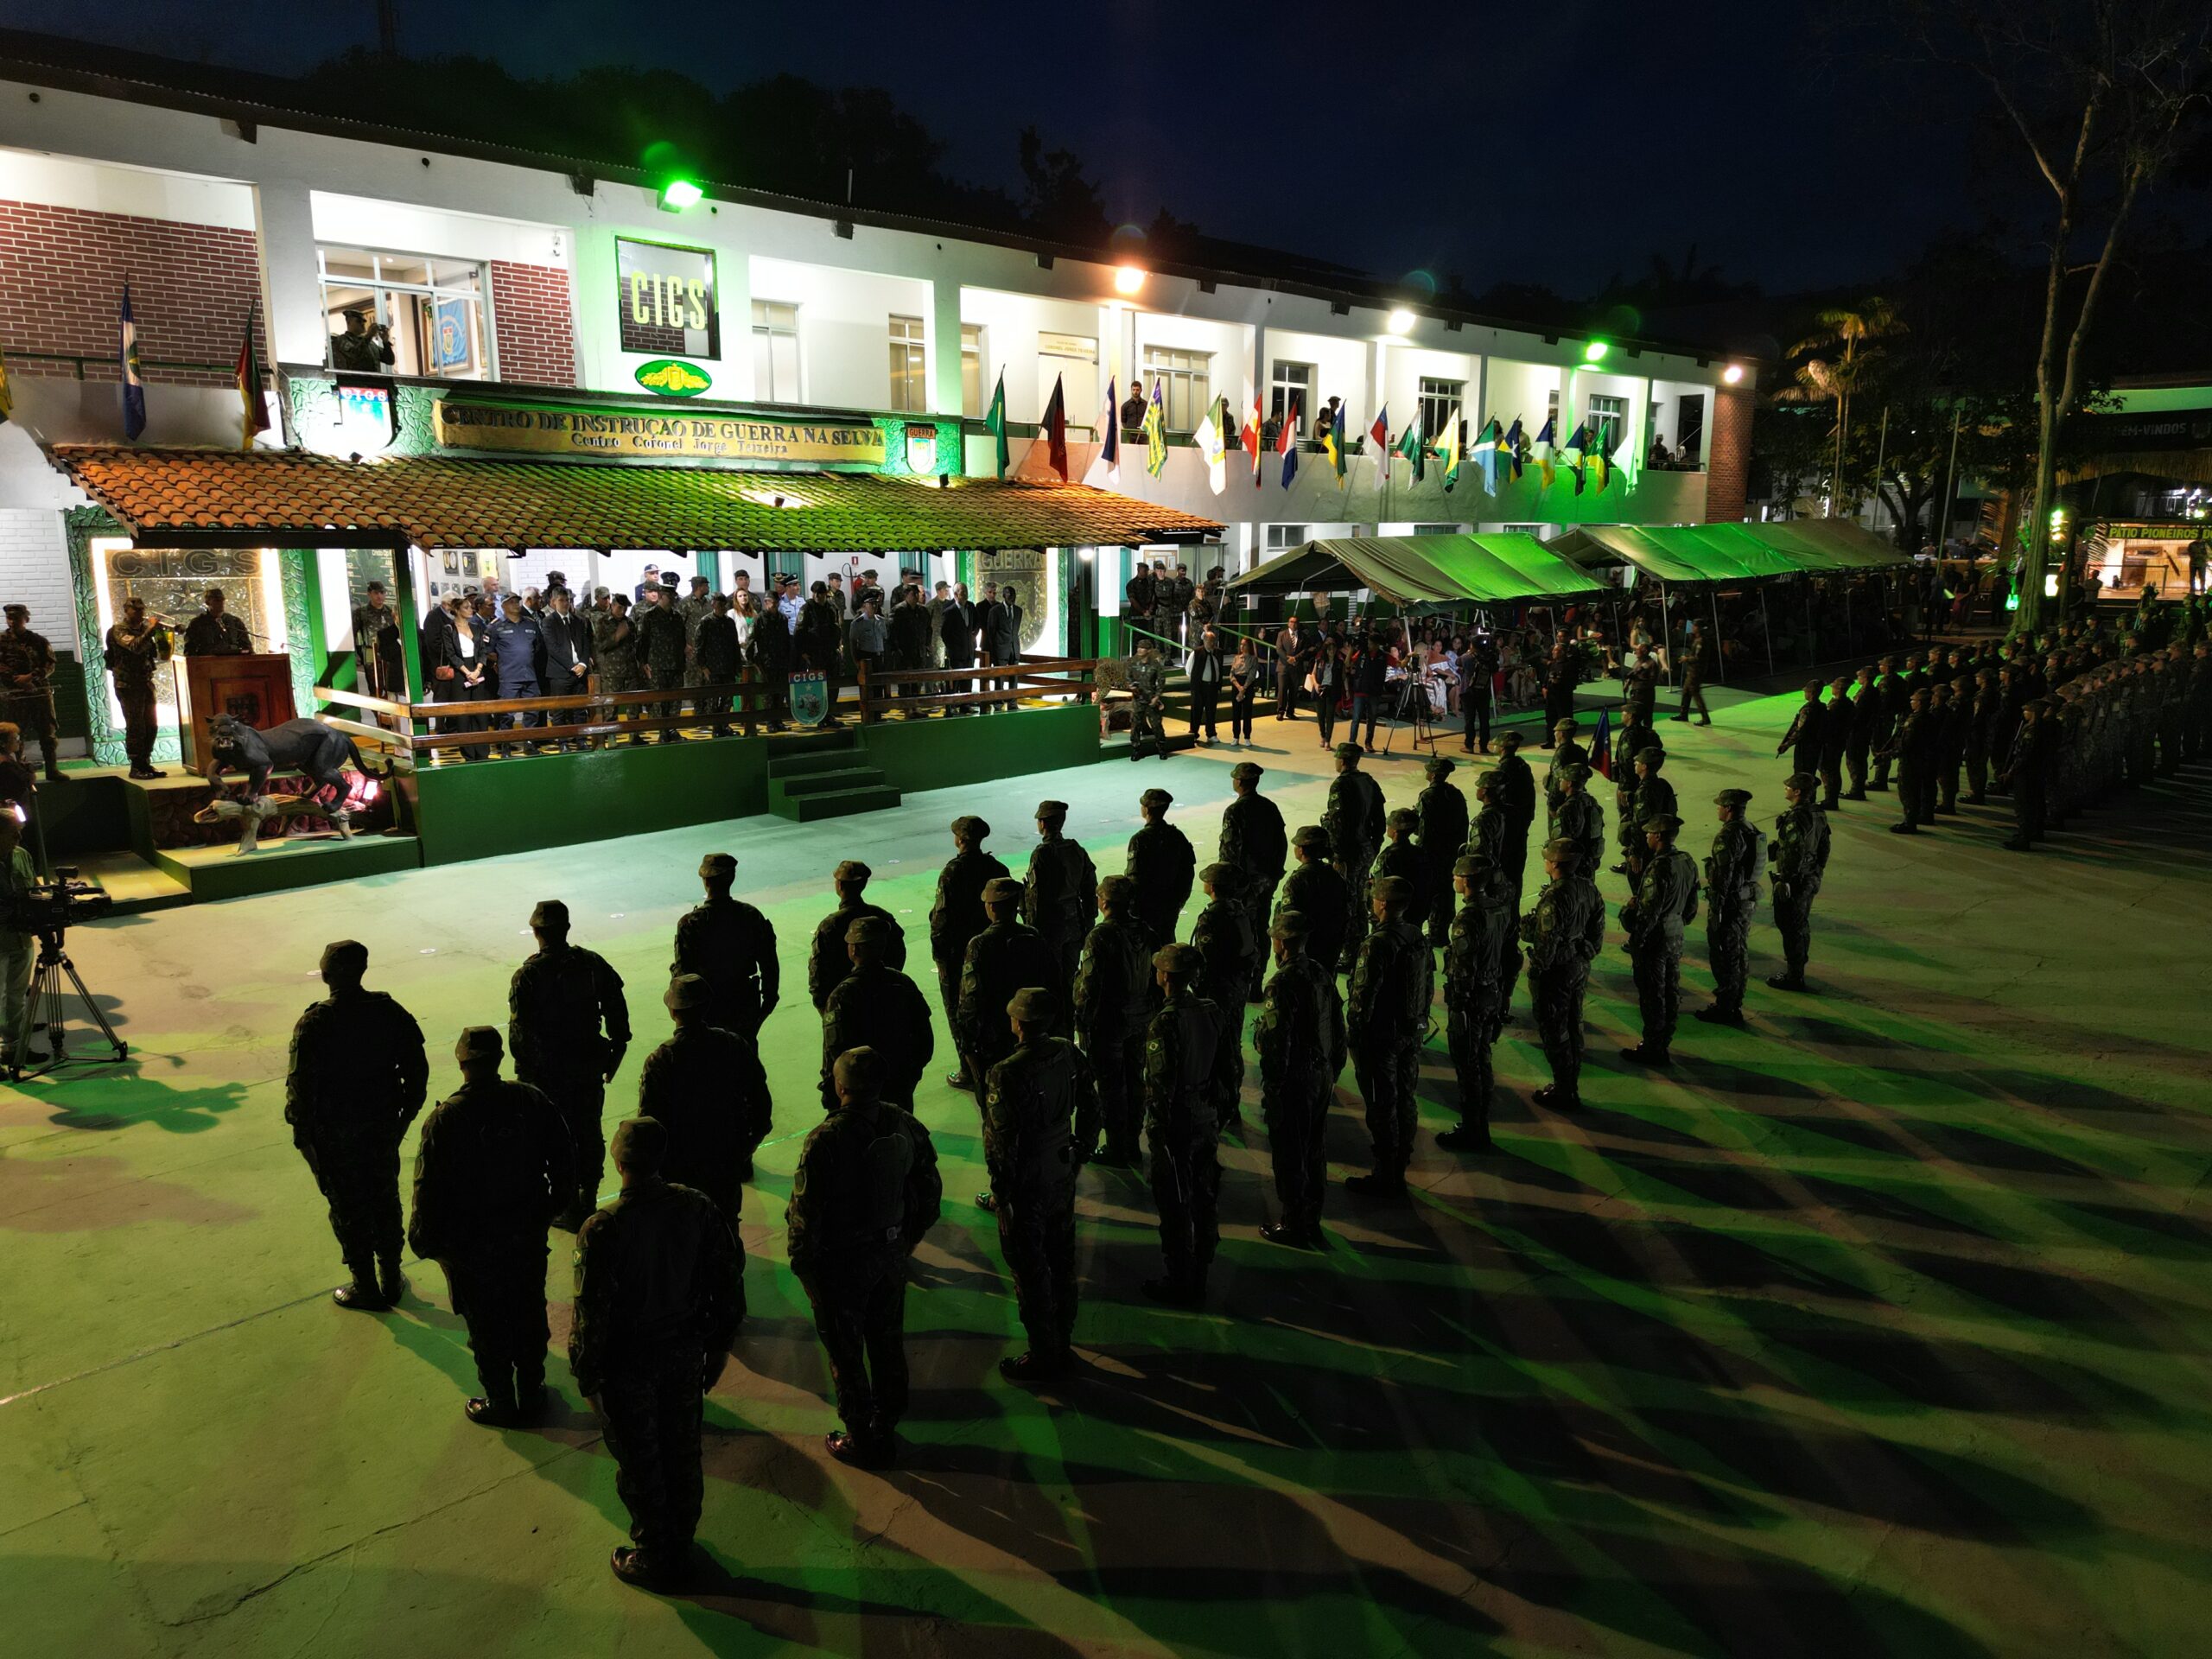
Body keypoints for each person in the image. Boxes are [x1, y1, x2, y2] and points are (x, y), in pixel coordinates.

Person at [570, 1116, 741, 1592]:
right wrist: (720, 1344)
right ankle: (681, 1541)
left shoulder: (603, 1227)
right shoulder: (697, 1206)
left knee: (641, 1459)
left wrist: (588, 1376)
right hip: (684, 1351)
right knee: (682, 1449)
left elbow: (591, 1313)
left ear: (617, 1161)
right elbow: (727, 1277)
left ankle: (655, 1555)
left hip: (630, 1364)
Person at [405, 1027, 573, 1426]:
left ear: (462, 1063)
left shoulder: (446, 1119)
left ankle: (500, 1399)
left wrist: (427, 1244)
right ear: (499, 1059)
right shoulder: (530, 1100)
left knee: (486, 1322)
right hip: (525, 1233)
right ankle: (531, 1391)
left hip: (472, 1245)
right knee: (528, 1309)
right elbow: (565, 1160)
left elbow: (427, 1190)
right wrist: (547, 1211)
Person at [787, 1046, 941, 1467]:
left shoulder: (826, 1139)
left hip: (842, 1264)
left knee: (846, 1351)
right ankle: (886, 1422)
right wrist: (906, 1241)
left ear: (840, 1087)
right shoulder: (903, 1123)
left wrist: (805, 1269)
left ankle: (860, 1435)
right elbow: (929, 1189)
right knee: (887, 1341)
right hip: (889, 1254)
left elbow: (804, 1216)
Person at [283, 939, 428, 1310]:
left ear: (325, 975)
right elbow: (417, 1073)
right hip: (381, 1126)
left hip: (334, 1133)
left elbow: (300, 1088)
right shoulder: (389, 1012)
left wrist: (304, 1139)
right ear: (363, 971)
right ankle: (391, 1277)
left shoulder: (315, 1023)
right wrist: (402, 1122)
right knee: (385, 1198)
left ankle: (365, 1285)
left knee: (347, 1205)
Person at [982, 987, 1098, 1382]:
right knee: (1062, 1259)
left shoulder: (1006, 1072)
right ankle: (1063, 1338)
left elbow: (1001, 1145)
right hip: (1061, 1171)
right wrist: (1081, 1150)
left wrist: (1002, 1195)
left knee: (1030, 1271)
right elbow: (1091, 1104)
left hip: (1027, 1183)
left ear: (1017, 1023)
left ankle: (1044, 1354)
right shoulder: (1067, 1052)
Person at [509, 899, 631, 1230]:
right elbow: (616, 1005)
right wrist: (616, 1048)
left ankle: (565, 1204)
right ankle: (587, 1198)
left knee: (552, 1139)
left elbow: (520, 1040)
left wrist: (529, 1083)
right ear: (566, 928)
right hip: (587, 1066)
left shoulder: (528, 976)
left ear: (536, 932)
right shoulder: (590, 963)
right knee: (589, 1131)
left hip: (548, 1075)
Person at [636, 972, 772, 1226]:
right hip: (725, 1160)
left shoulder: (661, 1060)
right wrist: (743, 1149)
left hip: (680, 1168)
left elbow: (650, 1125)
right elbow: (761, 1107)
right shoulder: (734, 1045)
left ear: (673, 1012)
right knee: (726, 1226)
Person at [957, 879, 1061, 1202]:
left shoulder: (980, 945)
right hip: (1033, 1037)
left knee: (997, 1122)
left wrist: (968, 1047)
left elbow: (970, 1003)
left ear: (990, 907)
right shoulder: (1033, 938)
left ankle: (1001, 1193)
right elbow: (1053, 984)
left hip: (994, 1045)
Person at [1253, 911, 1346, 1246]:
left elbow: (1277, 1042)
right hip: (1322, 1071)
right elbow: (1337, 1023)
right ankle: (1312, 1218)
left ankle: (1293, 1223)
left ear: (1280, 943)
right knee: (1314, 1147)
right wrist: (1334, 1066)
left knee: (1290, 1150)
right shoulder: (1320, 972)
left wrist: (1274, 1087)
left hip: (1296, 1078)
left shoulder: (1281, 983)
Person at [1140, 943, 1225, 1306]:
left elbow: (1161, 1086)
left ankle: (1180, 1281)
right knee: (1205, 1197)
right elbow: (1228, 1068)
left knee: (1175, 1203)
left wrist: (1157, 1134)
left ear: (1164, 977)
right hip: (1207, 1115)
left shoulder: (1166, 1022)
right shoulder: (1211, 1010)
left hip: (1179, 1122)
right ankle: (1201, 1271)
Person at [1344, 874, 1432, 1198]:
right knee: (1405, 1097)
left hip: (1382, 1037)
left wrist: (1355, 1033)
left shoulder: (1377, 944)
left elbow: (1363, 995)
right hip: (1410, 1030)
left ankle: (1386, 1175)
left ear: (1381, 903)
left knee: (1382, 1104)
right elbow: (1427, 984)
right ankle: (1401, 1162)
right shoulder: (1415, 936)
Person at [1072, 874, 1155, 1166]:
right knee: (1135, 1081)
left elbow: (1089, 986)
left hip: (1109, 1023)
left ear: (1104, 902)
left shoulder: (1100, 936)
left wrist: (1082, 1023)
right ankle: (1131, 1141)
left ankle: (1116, 1147)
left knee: (1111, 1086)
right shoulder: (1144, 930)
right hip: (1140, 1017)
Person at [1521, 838, 1605, 1109]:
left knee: (1554, 1028)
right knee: (1573, 1022)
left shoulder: (1554, 896)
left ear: (1555, 864)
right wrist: (1587, 950)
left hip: (1556, 969)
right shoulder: (1588, 887)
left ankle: (1563, 1089)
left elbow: (1547, 939)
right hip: (1579, 964)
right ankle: (1570, 1083)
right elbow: (1597, 928)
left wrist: (1538, 969)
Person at [1440, 854, 1515, 1153]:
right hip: (1491, 991)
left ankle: (1473, 1130)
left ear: (1467, 882)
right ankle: (1480, 1120)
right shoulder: (1499, 908)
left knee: (1467, 1064)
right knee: (1482, 1057)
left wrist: (1458, 1005)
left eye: (1457, 876)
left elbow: (1463, 967)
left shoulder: (1468, 918)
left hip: (1471, 998)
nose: (1454, 879)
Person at [822, 916, 934, 1111]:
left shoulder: (843, 995)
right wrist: (911, 1074)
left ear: (854, 950)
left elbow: (834, 1051)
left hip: (859, 1093)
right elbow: (924, 1036)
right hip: (900, 1082)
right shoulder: (903, 982)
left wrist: (831, 1093)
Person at [670, 853, 779, 1051]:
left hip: (707, 1009)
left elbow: (683, 975)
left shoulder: (690, 923)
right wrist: (762, 1012)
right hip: (743, 1006)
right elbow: (769, 964)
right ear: (732, 878)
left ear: (705, 881)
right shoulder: (751, 916)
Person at [1618, 814, 1699, 1066]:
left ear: (1659, 837)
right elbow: (1691, 907)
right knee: (1670, 990)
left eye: (1650, 833)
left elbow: (1649, 912)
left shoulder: (1658, 867)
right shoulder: (1686, 861)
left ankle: (1653, 1048)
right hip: (1676, 933)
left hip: (1656, 939)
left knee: (1652, 993)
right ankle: (1664, 1040)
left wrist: (1637, 938)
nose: (1646, 836)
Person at [1187, 862, 1256, 1129]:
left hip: (1219, 992)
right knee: (1232, 1043)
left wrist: (1197, 990)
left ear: (1213, 887)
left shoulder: (1212, 918)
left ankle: (1223, 1105)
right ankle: (1231, 1101)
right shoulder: (1239, 911)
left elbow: (1206, 961)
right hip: (1237, 987)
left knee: (1218, 1049)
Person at [930, 814, 1008, 1031]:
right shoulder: (998, 869)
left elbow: (941, 919)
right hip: (993, 946)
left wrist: (940, 957)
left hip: (959, 952)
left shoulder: (952, 872)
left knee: (958, 1011)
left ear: (960, 840)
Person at [1696, 790, 1764, 1027]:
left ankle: (1726, 1007)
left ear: (1729, 809)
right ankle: (1734, 1002)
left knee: (1725, 954)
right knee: (1739, 952)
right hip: (1746, 899)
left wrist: (1717, 908)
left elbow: (1723, 875)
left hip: (1730, 903)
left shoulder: (1729, 835)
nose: (1718, 809)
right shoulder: (1750, 828)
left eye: (1720, 806)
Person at [1218, 761, 1287, 989]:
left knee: (1241, 931)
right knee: (1260, 927)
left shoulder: (1235, 811)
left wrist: (1228, 884)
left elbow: (1230, 852)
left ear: (1239, 782)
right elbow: (1281, 843)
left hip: (1244, 884)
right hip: (1266, 879)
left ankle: (1243, 981)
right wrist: (1275, 874)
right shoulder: (1269, 807)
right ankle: (1257, 981)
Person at [805, 860, 906, 1014]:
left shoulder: (830, 925)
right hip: (884, 1001)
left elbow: (817, 976)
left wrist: (826, 1012)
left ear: (840, 885)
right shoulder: (882, 917)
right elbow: (899, 953)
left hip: (845, 1006)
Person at [1023, 799, 1097, 993]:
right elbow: (1090, 888)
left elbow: (1035, 899)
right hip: (1075, 923)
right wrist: (1088, 922)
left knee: (1051, 980)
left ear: (1042, 824)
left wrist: (1031, 930)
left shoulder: (1041, 854)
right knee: (1071, 977)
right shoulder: (1076, 849)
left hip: (1051, 926)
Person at [1324, 741, 1386, 971]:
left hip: (1348, 854)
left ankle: (1351, 954)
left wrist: (1336, 856)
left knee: (1347, 903)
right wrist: (1374, 846)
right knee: (1359, 898)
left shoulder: (1341, 785)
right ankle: (1360, 945)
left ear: (1342, 760)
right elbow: (1379, 818)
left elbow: (1337, 825)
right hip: (1365, 849)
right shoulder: (1368, 781)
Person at [1767, 772, 1830, 992]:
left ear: (1797, 792)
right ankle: (1797, 970)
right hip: (1811, 876)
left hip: (1797, 880)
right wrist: (1817, 870)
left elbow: (1794, 852)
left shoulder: (1796, 817)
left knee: (1791, 926)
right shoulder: (1818, 813)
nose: (1785, 789)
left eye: (1788, 787)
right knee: (1800, 923)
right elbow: (1824, 846)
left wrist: (1786, 880)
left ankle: (1794, 976)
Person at [102, 596, 172, 779]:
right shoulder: (119, 630)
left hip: (145, 681)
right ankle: (136, 766)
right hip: (127, 684)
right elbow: (134, 646)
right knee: (136, 726)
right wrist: (150, 630)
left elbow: (160, 653)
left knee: (151, 725)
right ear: (127, 611)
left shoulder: (144, 630)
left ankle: (145, 763)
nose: (140, 613)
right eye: (136, 610)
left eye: (142, 609)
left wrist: (163, 634)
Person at [1126, 786, 1196, 947]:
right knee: (1166, 944)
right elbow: (1188, 873)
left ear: (1146, 809)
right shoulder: (1177, 836)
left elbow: (1135, 879)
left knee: (1145, 950)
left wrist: (1132, 911)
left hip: (1146, 908)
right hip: (1169, 905)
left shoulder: (1140, 839)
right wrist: (1178, 902)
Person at [0, 605, 61, 782]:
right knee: (15, 735)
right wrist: (18, 680)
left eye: (16, 618)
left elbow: (50, 664)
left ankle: (52, 770)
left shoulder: (38, 641)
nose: (12, 622)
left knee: (48, 732)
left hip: (39, 693)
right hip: (15, 695)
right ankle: (18, 772)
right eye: (9, 618)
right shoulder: (1, 641)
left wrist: (32, 678)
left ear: (25, 619)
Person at [1416, 755, 1470, 950]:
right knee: (1446, 891)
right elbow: (1464, 824)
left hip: (1433, 852)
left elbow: (1425, 830)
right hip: (1451, 852)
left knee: (1431, 892)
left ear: (1432, 775)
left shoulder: (1428, 796)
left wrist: (1420, 852)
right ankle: (1441, 931)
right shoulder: (1455, 794)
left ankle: (1434, 933)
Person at [1999, 697, 2053, 852]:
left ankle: (2023, 838)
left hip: (2026, 773)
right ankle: (2035, 832)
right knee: (2035, 803)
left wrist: (2011, 772)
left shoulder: (2032, 730)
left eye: (2027, 710)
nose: (2024, 713)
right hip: (2037, 771)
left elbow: (2024, 755)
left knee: (2024, 806)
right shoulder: (2045, 728)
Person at [692, 594, 741, 735]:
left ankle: (725, 725)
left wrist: (737, 665)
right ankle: (716, 728)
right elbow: (699, 646)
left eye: (723, 605)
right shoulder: (706, 622)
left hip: (728, 667)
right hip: (712, 668)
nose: (721, 607)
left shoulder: (729, 622)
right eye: (718, 604)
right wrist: (703, 667)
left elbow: (735, 645)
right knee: (713, 700)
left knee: (727, 699)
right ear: (713, 605)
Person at [1127, 635, 1168, 760]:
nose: (1139, 650)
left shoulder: (1155, 665)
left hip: (1151, 700)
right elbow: (1128, 677)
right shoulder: (1132, 663)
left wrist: (1157, 697)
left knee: (1157, 726)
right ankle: (1136, 749)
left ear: (1149, 650)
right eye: (1138, 647)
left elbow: (1161, 681)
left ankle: (1162, 749)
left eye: (1143, 648)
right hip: (1138, 699)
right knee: (1135, 725)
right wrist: (1130, 686)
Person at [1544, 718, 1587, 835]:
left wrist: (1552, 804)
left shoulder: (1561, 753)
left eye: (1556, 731)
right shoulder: (1580, 751)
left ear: (1562, 734)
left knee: (1558, 834)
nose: (1554, 733)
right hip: (1578, 795)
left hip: (1561, 800)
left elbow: (1557, 780)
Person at [181, 588, 252, 657]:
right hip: (208, 662)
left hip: (233, 662)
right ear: (208, 602)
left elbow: (247, 647)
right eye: (217, 600)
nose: (221, 603)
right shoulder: (197, 623)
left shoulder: (235, 622)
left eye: (222, 600)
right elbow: (190, 650)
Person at [1777, 680, 1826, 780]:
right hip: (1816, 744)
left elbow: (1800, 730)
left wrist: (1787, 745)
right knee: (1811, 772)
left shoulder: (1807, 710)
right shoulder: (1822, 706)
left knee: (1802, 774)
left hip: (1805, 747)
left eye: (1806, 691)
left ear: (1811, 693)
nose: (1805, 693)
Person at [986, 582, 1025, 709]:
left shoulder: (1019, 611)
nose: (1012, 597)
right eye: (1009, 594)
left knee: (1014, 677)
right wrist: (995, 649)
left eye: (1013, 594)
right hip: (1000, 649)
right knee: (1000, 678)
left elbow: (1015, 630)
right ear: (1003, 595)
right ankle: (998, 703)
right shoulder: (995, 611)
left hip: (1014, 648)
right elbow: (991, 632)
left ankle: (1013, 703)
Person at [1185, 626, 1224, 744]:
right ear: (1204, 640)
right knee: (1196, 710)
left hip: (1212, 687)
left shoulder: (1218, 653)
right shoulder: (1196, 653)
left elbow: (1219, 669)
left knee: (1211, 711)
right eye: (1210, 641)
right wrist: (1196, 682)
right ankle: (1194, 733)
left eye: (1213, 641)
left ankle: (1211, 734)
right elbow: (1188, 670)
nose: (1212, 643)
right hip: (1199, 687)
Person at [329, 303, 395, 372]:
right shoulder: (342, 340)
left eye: (364, 321)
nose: (362, 324)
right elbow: (355, 356)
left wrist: (385, 342)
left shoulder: (370, 343)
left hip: (375, 378)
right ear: (349, 322)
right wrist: (368, 336)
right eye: (359, 321)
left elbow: (390, 360)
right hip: (357, 379)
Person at [1673, 622, 1713, 724]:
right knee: (1686, 692)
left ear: (1698, 628)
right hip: (1693, 670)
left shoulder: (1701, 641)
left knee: (1695, 694)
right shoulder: (1699, 639)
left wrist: (1686, 659)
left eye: (1694, 626)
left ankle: (1705, 718)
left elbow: (1697, 658)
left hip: (1696, 671)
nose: (1693, 628)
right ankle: (1683, 715)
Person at [1274, 619, 1311, 721]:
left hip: (1296, 667)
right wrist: (1288, 659)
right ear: (1288, 623)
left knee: (1294, 691)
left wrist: (1295, 658)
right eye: (1291, 622)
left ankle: (1291, 712)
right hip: (1283, 667)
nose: (1293, 624)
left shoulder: (1303, 636)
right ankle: (1280, 712)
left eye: (1295, 622)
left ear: (1298, 624)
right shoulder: (1282, 634)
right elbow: (1279, 649)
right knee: (1282, 690)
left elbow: (1305, 650)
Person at [1311, 637, 1344, 749]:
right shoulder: (1320, 661)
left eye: (1333, 649)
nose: (1332, 651)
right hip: (1320, 689)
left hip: (1332, 690)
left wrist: (1346, 690)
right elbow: (1313, 674)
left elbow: (1343, 677)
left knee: (1330, 716)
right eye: (1329, 649)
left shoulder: (1339, 663)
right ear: (1326, 650)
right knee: (1320, 716)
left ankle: (1328, 740)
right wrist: (1316, 684)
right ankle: (1323, 736)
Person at [1226, 639, 1258, 746]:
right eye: (1241, 644)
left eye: (1244, 645)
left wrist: (1244, 688)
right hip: (1237, 684)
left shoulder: (1253, 659)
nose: (1242, 646)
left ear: (1249, 646)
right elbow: (1231, 674)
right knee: (1236, 712)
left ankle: (1247, 736)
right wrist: (1238, 687)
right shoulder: (1236, 658)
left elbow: (1252, 675)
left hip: (1247, 685)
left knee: (1247, 712)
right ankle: (1236, 736)